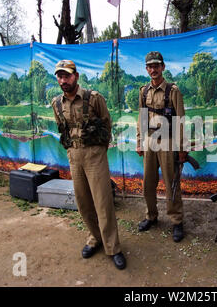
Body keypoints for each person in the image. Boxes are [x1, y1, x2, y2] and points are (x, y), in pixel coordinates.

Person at [51, 59, 126, 270]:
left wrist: (98, 149)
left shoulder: (93, 98)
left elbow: (106, 123)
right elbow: (62, 128)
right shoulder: (57, 103)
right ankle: (95, 238)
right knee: (83, 203)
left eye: (66, 75)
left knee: (103, 202)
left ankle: (113, 247)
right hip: (74, 157)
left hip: (94, 156)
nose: (63, 80)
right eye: (59, 76)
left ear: (75, 76)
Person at [136, 51, 188, 242]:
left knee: (171, 184)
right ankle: (151, 216)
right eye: (150, 66)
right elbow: (141, 117)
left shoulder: (173, 91)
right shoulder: (143, 91)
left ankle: (176, 221)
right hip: (150, 141)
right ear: (146, 69)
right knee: (148, 183)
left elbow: (180, 120)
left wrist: (182, 148)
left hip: (167, 142)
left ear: (163, 67)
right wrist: (139, 141)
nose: (153, 69)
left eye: (156, 66)